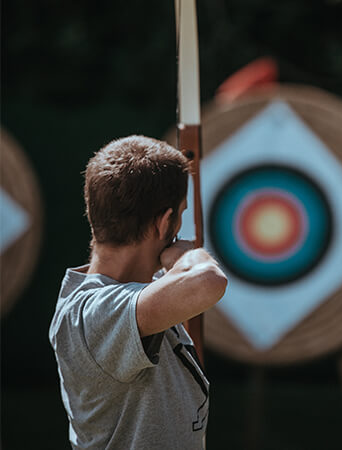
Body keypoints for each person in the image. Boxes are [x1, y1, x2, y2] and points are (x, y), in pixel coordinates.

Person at [49, 135, 228, 449]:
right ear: (164, 223)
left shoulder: (144, 290)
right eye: (180, 214)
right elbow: (208, 281)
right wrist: (185, 255)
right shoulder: (92, 313)